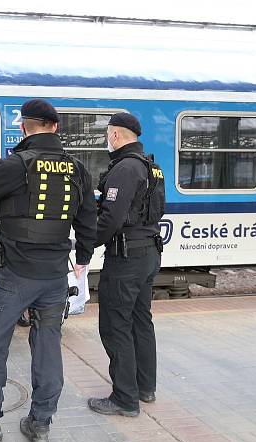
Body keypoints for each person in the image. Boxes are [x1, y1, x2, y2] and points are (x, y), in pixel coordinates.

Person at [0, 99, 97, 442]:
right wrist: (82, 257)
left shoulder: (17, 163)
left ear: (23, 128)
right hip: (54, 278)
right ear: (55, 128)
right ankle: (40, 425)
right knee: (48, 347)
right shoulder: (77, 168)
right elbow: (89, 219)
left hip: (14, 274)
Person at [87, 113, 165, 418]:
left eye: (108, 135)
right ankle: (145, 388)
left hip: (126, 259)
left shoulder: (124, 168)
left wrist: (86, 244)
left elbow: (111, 218)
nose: (108, 140)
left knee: (115, 325)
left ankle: (124, 399)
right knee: (141, 321)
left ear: (116, 136)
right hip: (149, 253)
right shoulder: (152, 167)